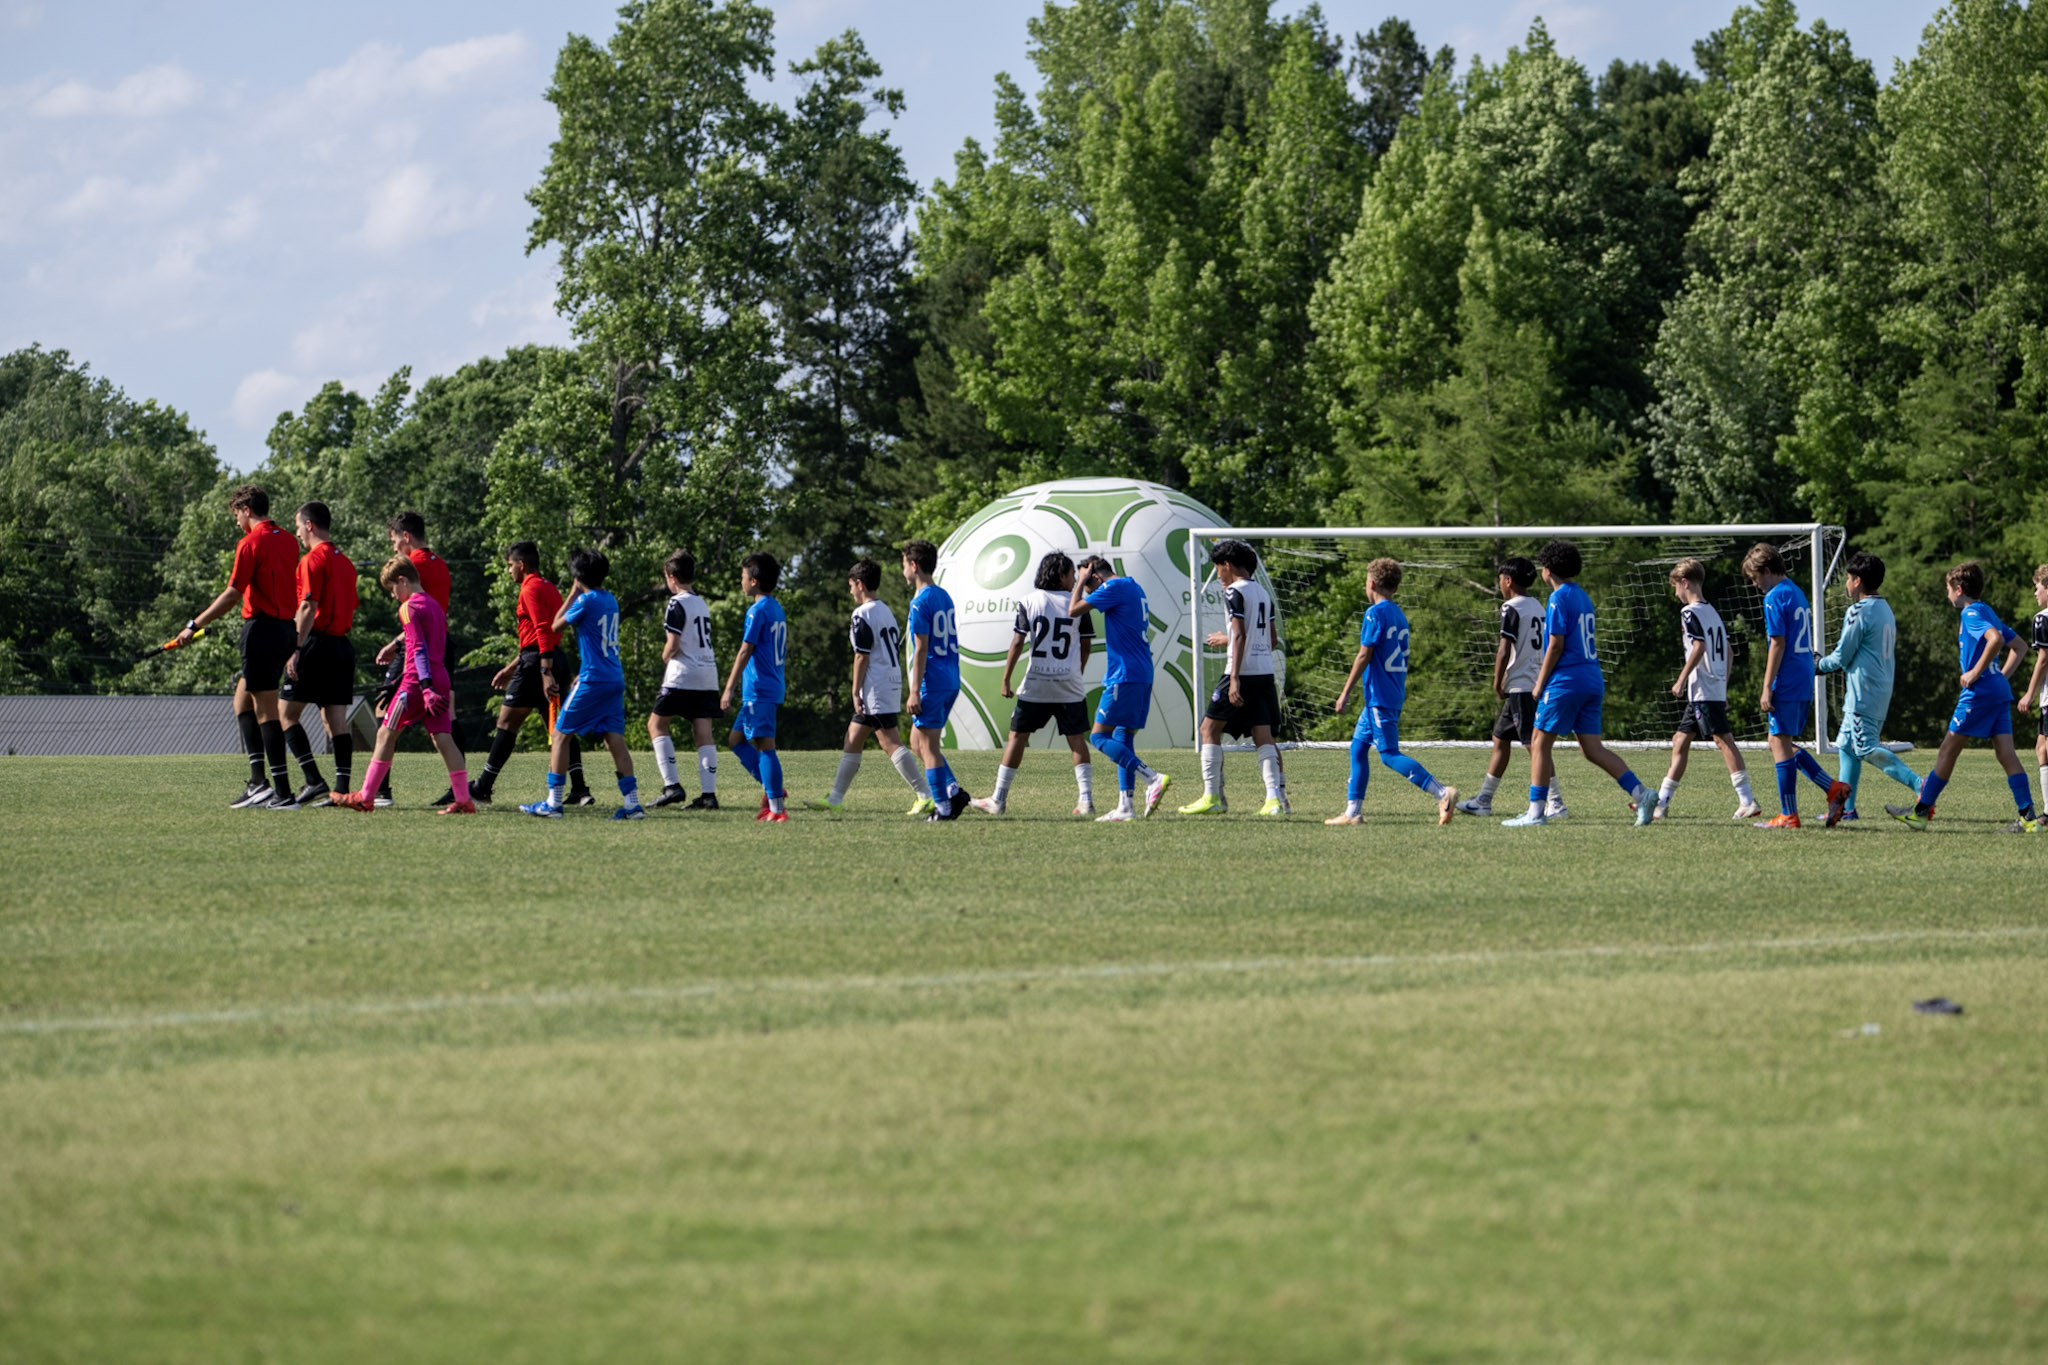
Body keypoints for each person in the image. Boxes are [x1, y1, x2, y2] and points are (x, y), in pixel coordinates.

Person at [1504, 539, 1656, 827]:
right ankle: (1642, 794)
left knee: (1538, 742)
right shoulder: (1582, 596)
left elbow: (1556, 645)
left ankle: (1536, 813)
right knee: (1592, 749)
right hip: (1592, 678)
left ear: (1548, 570)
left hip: (1567, 680)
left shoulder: (1557, 598)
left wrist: (1540, 682)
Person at [173, 484, 300, 809]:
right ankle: (258, 782)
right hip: (287, 630)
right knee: (242, 701)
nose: (236, 522)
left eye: (236, 515)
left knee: (266, 710)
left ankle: (283, 793)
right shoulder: (289, 540)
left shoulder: (250, 543)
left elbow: (233, 594)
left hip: (262, 630)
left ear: (246, 509)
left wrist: (194, 624)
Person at [1887, 561, 2037, 833]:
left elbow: (1996, 640)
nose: (1947, 594)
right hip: (1997, 691)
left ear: (1959, 589)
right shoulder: (1987, 610)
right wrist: (1999, 677)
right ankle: (2029, 818)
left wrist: (1975, 673)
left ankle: (1921, 813)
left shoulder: (1970, 613)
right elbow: (2020, 646)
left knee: (1948, 749)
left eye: (1948, 589)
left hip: (1979, 693)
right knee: (2006, 753)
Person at [328, 558, 474, 814]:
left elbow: (417, 648)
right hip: (440, 676)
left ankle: (365, 797)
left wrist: (424, 687)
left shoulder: (409, 607)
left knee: (386, 733)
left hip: (417, 682)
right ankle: (463, 799)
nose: (393, 595)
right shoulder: (434, 605)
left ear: (402, 581)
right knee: (443, 738)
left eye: (392, 589)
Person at [1326, 557, 1458, 826]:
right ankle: (1352, 813)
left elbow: (1364, 655)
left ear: (1371, 584)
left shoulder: (1374, 613)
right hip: (1389, 692)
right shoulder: (1398, 614)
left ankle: (1442, 793)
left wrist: (1345, 692)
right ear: (1395, 588)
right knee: (1358, 748)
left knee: (1388, 755)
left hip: (1380, 695)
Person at [518, 549, 644, 820]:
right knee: (614, 739)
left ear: (578, 575)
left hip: (593, 679)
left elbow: (555, 626)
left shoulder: (585, 601)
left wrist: (573, 593)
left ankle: (553, 803)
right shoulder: (610, 599)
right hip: (614, 677)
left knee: (560, 734)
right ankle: (632, 804)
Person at [970, 551, 1097, 817]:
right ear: (1060, 575)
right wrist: (1077, 672)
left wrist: (1006, 679)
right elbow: (1086, 646)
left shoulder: (1029, 601)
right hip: (1068, 684)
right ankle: (1086, 801)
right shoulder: (1079, 603)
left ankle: (999, 799)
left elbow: (1017, 642)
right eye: (1071, 574)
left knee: (1017, 737)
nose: (1074, 579)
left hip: (1037, 682)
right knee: (1076, 739)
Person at [468, 541, 584, 805]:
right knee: (559, 727)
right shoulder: (548, 587)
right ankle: (580, 789)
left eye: (510, 565)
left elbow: (541, 629)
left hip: (538, 662)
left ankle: (483, 786)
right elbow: (543, 634)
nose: (509, 570)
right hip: (553, 657)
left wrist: (544, 670)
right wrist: (512, 668)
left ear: (521, 565)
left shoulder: (529, 588)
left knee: (507, 722)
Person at [811, 557, 927, 812]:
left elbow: (861, 655)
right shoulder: (885, 610)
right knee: (853, 738)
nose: (850, 591)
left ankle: (925, 794)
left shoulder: (861, 613)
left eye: (851, 586)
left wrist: (855, 691)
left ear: (860, 584)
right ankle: (835, 798)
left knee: (889, 741)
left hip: (875, 685)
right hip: (888, 679)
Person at [1813, 551, 1920, 825]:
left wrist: (1818, 664)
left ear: (1857, 581)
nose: (1846, 584)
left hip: (1865, 691)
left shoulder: (1858, 611)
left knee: (1865, 748)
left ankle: (1921, 786)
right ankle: (1846, 809)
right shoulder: (1884, 608)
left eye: (1848, 578)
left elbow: (1843, 655)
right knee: (1846, 747)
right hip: (1875, 688)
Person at [1180, 540, 1285, 817]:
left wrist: (1235, 677)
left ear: (1227, 564)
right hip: (1264, 672)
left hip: (1242, 671)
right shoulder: (1262, 593)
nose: (1217, 575)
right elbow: (1272, 639)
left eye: (1217, 568)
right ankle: (1274, 800)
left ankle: (1212, 797)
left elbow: (1239, 634)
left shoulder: (1233, 592)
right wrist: (1231, 639)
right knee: (1263, 735)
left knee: (1208, 729)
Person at [1650, 558, 1759, 822]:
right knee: (1680, 740)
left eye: (1675, 587)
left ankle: (1747, 800)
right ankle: (1661, 804)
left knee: (1723, 740)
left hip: (1703, 688)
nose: (1676, 593)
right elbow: (1729, 652)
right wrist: (1723, 685)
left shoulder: (1689, 613)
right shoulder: (1712, 611)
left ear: (1685, 582)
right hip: (1710, 688)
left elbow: (1699, 647)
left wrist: (1681, 679)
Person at [1743, 542, 1843, 830]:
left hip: (1786, 676)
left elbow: (1777, 643)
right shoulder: (1796, 592)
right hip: (1803, 672)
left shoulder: (1774, 596)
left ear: (1767, 570)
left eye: (1755, 578)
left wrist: (1766, 686)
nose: (1755, 585)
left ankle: (1789, 814)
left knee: (1779, 741)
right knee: (1778, 741)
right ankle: (1832, 788)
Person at [1457, 556, 1564, 819]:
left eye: (1500, 580)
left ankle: (1556, 802)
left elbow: (1504, 648)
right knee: (1501, 738)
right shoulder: (1538, 606)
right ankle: (1483, 800)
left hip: (1522, 685)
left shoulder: (1511, 608)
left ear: (1508, 580)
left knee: (1534, 746)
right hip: (1534, 681)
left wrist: (1497, 681)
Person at [1069, 553, 1170, 821]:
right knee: (1123, 735)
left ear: (1096, 577)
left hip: (1124, 674)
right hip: (1141, 672)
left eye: (1090, 586)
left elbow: (1073, 610)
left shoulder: (1112, 587)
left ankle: (1152, 778)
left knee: (1099, 737)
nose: (1091, 592)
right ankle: (1125, 807)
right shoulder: (1133, 586)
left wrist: (1080, 581)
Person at [371, 512, 455, 807]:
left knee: (385, 712)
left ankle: (379, 791)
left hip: (417, 652)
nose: (394, 547)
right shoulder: (440, 563)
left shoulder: (412, 566)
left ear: (406, 536)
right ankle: (460, 789)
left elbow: (416, 619)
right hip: (443, 647)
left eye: (394, 540)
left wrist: (395, 644)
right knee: (445, 721)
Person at [277, 501, 358, 806]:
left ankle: (313, 780)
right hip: (341, 646)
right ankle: (341, 790)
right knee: (336, 720)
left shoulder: (312, 560)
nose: (297, 533)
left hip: (315, 642)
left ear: (309, 525)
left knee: (286, 713)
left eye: (298, 526)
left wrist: (295, 647)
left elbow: (308, 606)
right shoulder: (346, 563)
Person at [902, 538, 972, 820]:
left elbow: (921, 648)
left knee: (928, 746)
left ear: (914, 566)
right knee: (916, 741)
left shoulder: (920, 602)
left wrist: (914, 691)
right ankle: (953, 790)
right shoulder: (944, 596)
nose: (903, 571)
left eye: (904, 565)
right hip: (951, 677)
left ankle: (943, 808)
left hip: (932, 681)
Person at [648, 550, 723, 810]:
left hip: (683, 674)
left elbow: (674, 642)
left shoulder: (675, 603)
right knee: (703, 732)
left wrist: (664, 656)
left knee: (656, 725)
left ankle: (672, 786)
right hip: (708, 673)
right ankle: (708, 795)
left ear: (672, 577)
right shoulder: (701, 602)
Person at [719, 551, 789, 822]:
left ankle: (777, 808)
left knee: (764, 746)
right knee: (736, 740)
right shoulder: (776, 607)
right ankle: (773, 788)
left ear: (754, 581)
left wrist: (729, 688)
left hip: (759, 689)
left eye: (743, 576)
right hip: (769, 685)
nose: (741, 581)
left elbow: (745, 650)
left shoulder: (757, 611)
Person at [2019, 565, 2048, 819]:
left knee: (2044, 749)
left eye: (2037, 587)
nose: (2035, 593)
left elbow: (2043, 659)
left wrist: (2029, 694)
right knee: (2041, 747)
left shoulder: (2042, 618)